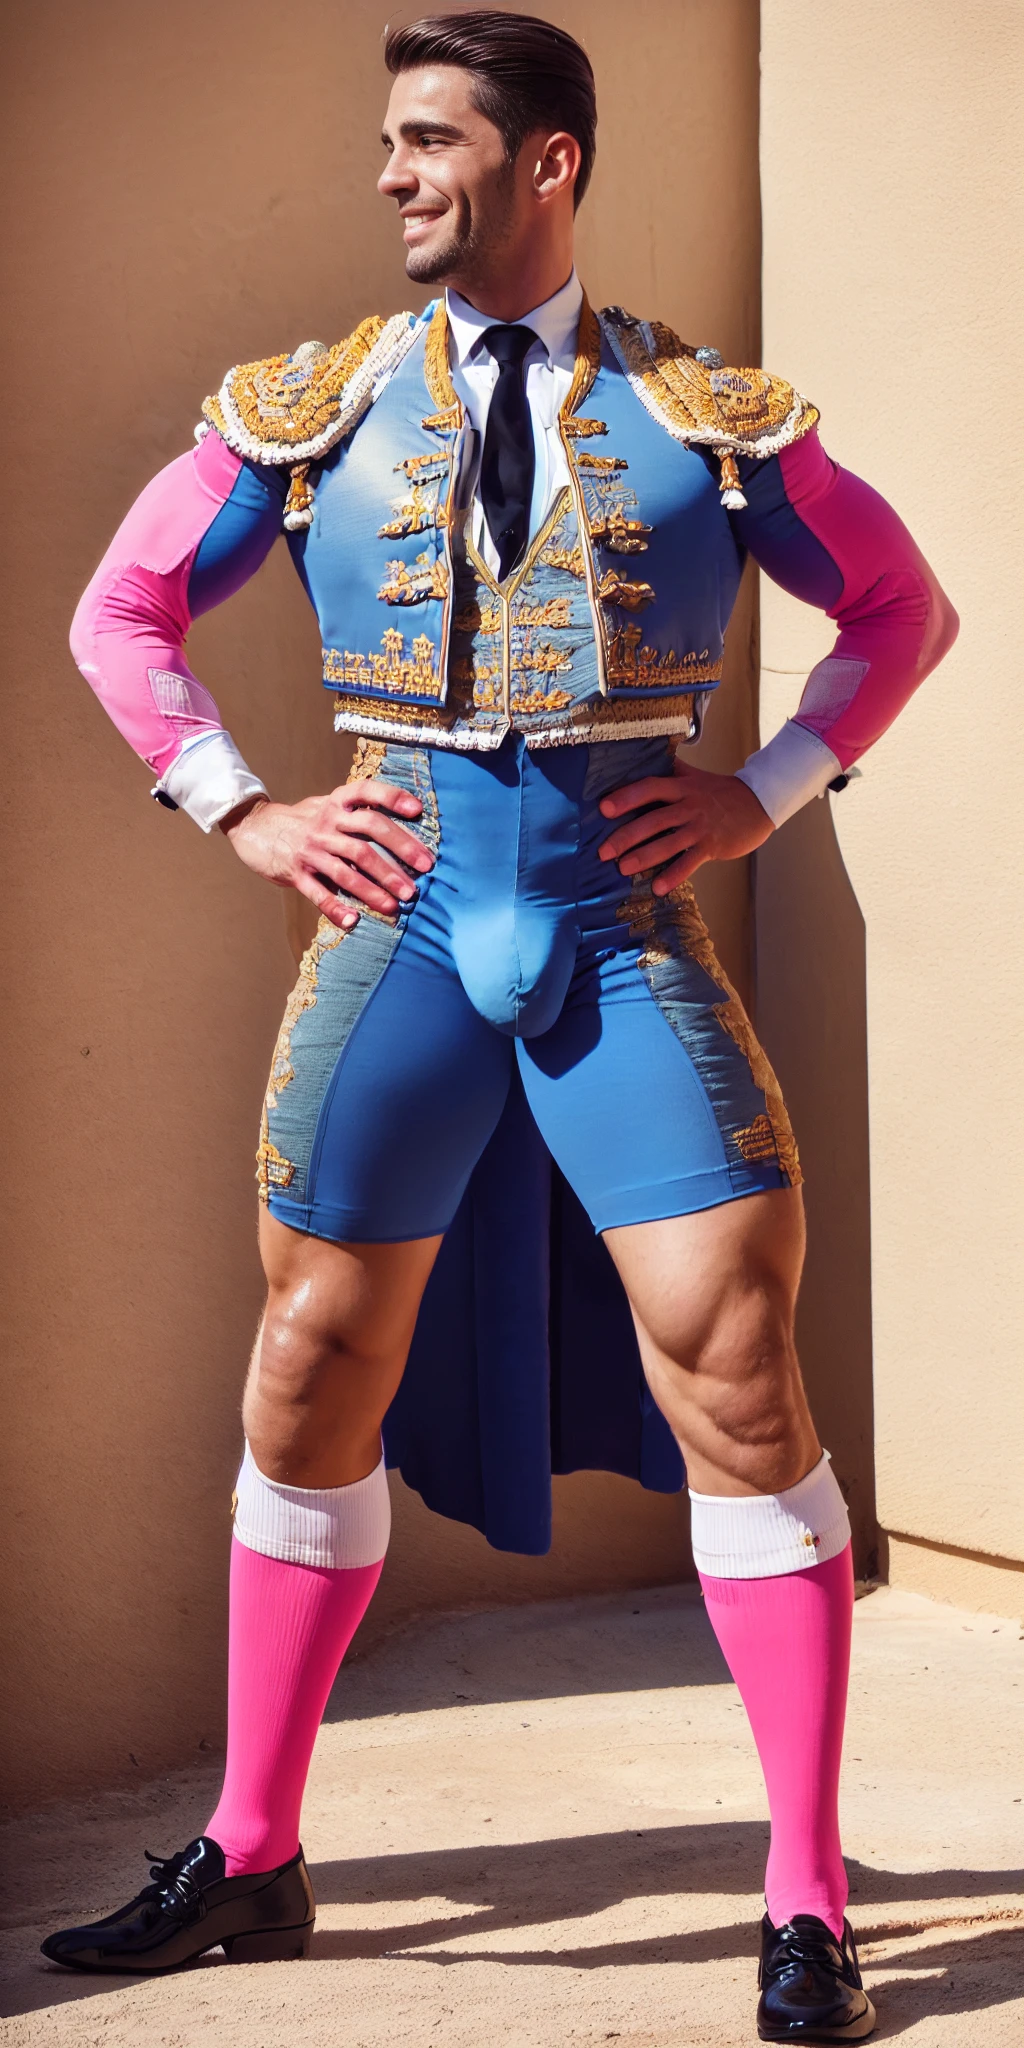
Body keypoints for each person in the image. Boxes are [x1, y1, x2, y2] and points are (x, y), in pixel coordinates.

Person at [42, 12, 956, 2038]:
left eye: (430, 139)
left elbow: (901, 610)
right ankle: (253, 1849)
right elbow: (121, 611)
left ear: (547, 161)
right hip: (402, 925)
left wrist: (769, 786)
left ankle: (804, 1896)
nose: (391, 175)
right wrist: (246, 808)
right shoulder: (312, 407)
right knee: (308, 1361)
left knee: (739, 1367)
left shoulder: (710, 414)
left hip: (621, 930)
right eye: (389, 141)